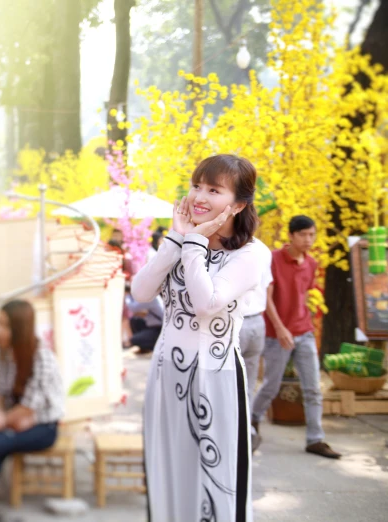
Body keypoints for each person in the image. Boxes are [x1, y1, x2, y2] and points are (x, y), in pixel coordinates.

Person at [131, 154, 270, 521]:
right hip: (166, 375)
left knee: (214, 478)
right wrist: (177, 239)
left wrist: (193, 243)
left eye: (213, 189)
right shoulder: (182, 243)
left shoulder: (251, 254)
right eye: (196, 186)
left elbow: (207, 302)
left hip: (214, 377)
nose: (199, 197)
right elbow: (141, 291)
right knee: (167, 472)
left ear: (239, 204)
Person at [251, 216, 341, 459]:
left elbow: (305, 295)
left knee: (313, 389)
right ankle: (252, 419)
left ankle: (315, 439)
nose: (308, 240)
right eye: (303, 235)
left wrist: (307, 316)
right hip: (276, 335)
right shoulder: (273, 259)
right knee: (271, 385)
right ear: (291, 235)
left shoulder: (311, 263)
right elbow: (266, 298)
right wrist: (280, 329)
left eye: (312, 235)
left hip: (304, 333)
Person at [0, 300, 64, 493]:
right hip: (16, 418)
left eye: (5, 326)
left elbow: (28, 409)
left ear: (20, 328)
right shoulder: (2, 352)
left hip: (44, 426)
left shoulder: (42, 357)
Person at [239, 253, 273, 452]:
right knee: (248, 384)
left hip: (239, 321)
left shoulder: (227, 245)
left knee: (231, 381)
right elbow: (268, 288)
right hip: (256, 321)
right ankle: (247, 431)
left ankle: (241, 432)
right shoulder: (261, 249)